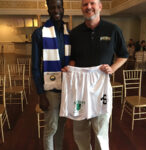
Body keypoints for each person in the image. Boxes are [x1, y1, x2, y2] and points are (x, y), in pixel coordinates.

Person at [66, 0, 128, 150]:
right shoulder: (74, 33)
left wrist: (112, 68)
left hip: (101, 89)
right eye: (85, 4)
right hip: (79, 90)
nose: (88, 7)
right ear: (81, 9)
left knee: (100, 131)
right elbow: (72, 58)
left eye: (92, 3)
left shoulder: (113, 30)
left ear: (100, 6)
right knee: (79, 130)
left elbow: (123, 55)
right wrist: (69, 69)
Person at [32, 0, 70, 149]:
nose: (56, 10)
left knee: (61, 127)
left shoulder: (68, 33)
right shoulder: (39, 33)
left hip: (66, 90)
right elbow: (35, 67)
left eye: (59, 7)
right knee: (51, 128)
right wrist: (41, 95)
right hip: (50, 91)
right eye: (53, 7)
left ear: (63, 8)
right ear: (48, 10)